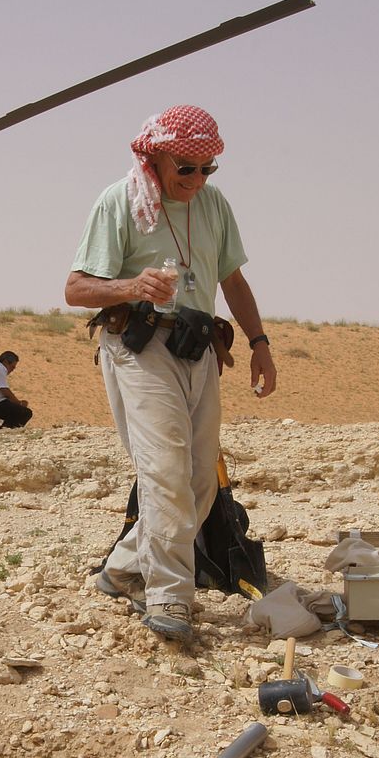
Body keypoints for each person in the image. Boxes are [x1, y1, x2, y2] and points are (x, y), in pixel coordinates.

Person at [64, 104, 276, 642]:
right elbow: (76, 288)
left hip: (199, 348)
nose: (197, 179)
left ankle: (121, 570)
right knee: (163, 472)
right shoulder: (119, 202)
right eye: (186, 168)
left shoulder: (213, 204)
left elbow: (233, 281)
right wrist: (132, 286)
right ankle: (169, 597)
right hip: (142, 347)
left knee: (201, 478)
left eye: (208, 169)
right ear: (155, 157)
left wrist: (260, 343)